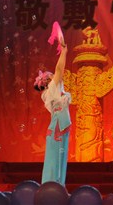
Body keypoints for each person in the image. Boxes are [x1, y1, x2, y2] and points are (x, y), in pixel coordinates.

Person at [36, 40, 71, 185]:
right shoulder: (50, 91)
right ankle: (50, 188)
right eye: (51, 75)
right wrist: (64, 52)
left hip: (62, 128)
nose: (54, 75)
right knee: (54, 162)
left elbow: (59, 72)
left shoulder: (57, 91)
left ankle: (58, 187)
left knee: (60, 162)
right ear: (46, 82)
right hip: (57, 128)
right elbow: (59, 69)